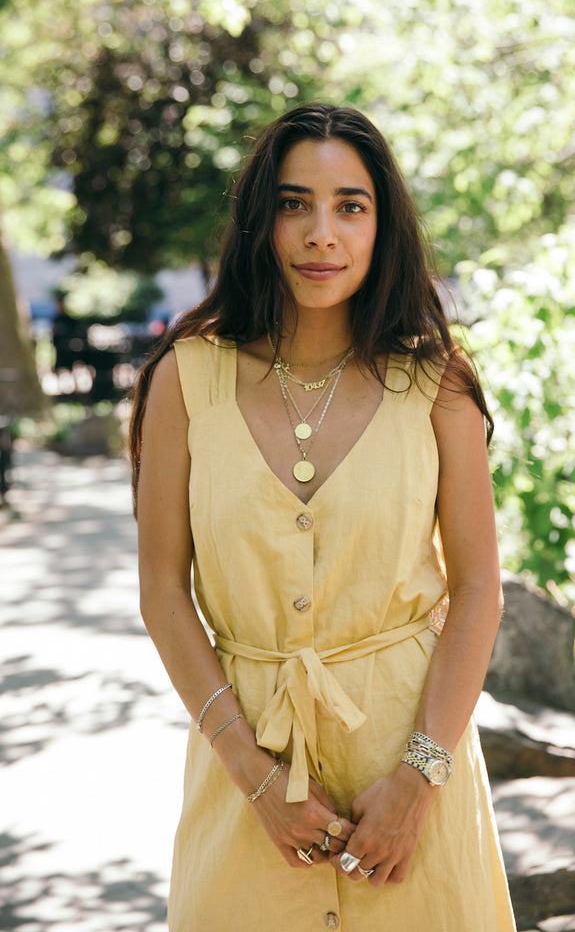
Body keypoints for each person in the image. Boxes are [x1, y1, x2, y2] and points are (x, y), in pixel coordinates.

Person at [129, 103, 517, 930]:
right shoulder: (185, 381)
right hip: (243, 786)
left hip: (415, 781)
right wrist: (255, 777)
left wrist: (419, 777)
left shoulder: (435, 382)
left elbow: (479, 587)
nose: (320, 234)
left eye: (350, 206)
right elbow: (163, 590)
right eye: (293, 203)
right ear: (259, 219)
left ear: (383, 227)